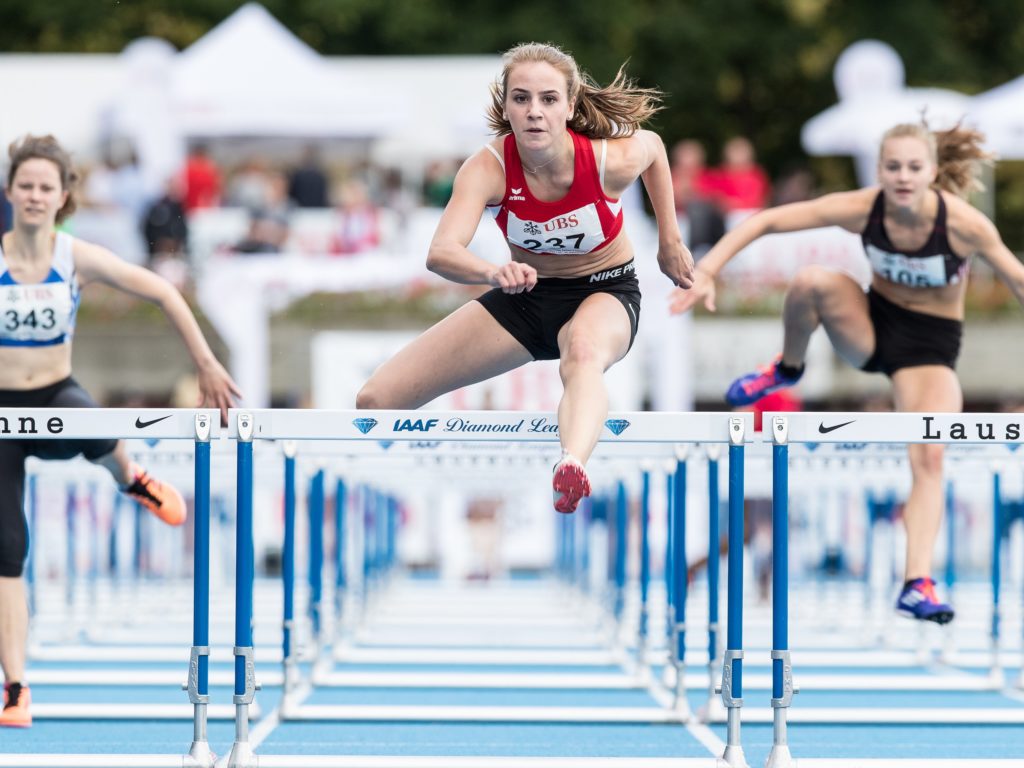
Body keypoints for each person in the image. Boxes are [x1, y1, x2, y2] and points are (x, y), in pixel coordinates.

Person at [670, 121, 1016, 625]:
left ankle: (916, 581)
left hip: (928, 352)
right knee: (812, 282)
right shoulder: (864, 207)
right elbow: (766, 222)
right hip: (872, 328)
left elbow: (1017, 279)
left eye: (913, 167)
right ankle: (788, 365)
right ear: (878, 170)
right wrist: (707, 270)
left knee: (929, 456)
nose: (902, 176)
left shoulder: (964, 225)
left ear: (933, 172)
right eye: (892, 166)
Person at [357, 42, 694, 514]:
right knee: (376, 399)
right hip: (524, 297)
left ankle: (571, 463)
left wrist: (669, 240)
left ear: (570, 107)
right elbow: (441, 252)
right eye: (522, 98)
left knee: (582, 353)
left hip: (603, 292)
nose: (534, 112)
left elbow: (655, 149)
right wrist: (492, 271)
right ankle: (379, 500)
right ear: (506, 106)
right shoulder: (487, 167)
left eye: (548, 100)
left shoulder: (606, 162)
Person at [0, 135, 240, 727]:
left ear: (62, 198)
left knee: (98, 428)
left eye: (44, 187)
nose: (33, 196)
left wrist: (205, 362)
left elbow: (162, 290)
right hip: (1, 412)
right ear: (10, 193)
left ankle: (131, 477)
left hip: (55, 395)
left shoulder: (74, 256)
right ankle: (17, 688)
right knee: (7, 550)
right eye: (24, 186)